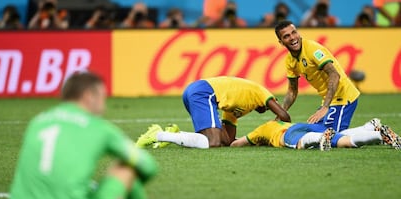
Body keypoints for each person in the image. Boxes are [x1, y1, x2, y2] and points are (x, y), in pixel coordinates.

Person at [9, 72, 171, 199]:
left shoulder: (37, 122)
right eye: (102, 96)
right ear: (88, 96)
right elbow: (149, 167)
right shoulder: (98, 128)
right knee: (125, 169)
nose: (104, 104)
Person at [136, 76, 291, 149]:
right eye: (273, 103)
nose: (271, 106)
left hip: (199, 92)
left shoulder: (241, 107)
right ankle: (159, 135)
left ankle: (174, 133)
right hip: (204, 92)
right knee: (213, 142)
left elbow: (228, 140)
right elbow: (285, 116)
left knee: (216, 140)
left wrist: (253, 140)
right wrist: (272, 128)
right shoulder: (261, 92)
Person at [274, 20, 360, 132]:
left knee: (330, 136)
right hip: (330, 100)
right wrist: (280, 114)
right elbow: (292, 92)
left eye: (294, 32)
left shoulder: (312, 49)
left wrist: (325, 107)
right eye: (286, 36)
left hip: (343, 97)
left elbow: (334, 75)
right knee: (314, 133)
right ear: (281, 42)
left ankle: (373, 131)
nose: (292, 37)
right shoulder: (290, 60)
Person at [230, 118, 401, 150]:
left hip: (290, 133)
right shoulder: (281, 122)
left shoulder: (263, 129)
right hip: (306, 125)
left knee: (300, 144)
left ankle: (320, 139)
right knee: (344, 140)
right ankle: (375, 131)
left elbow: (238, 143)